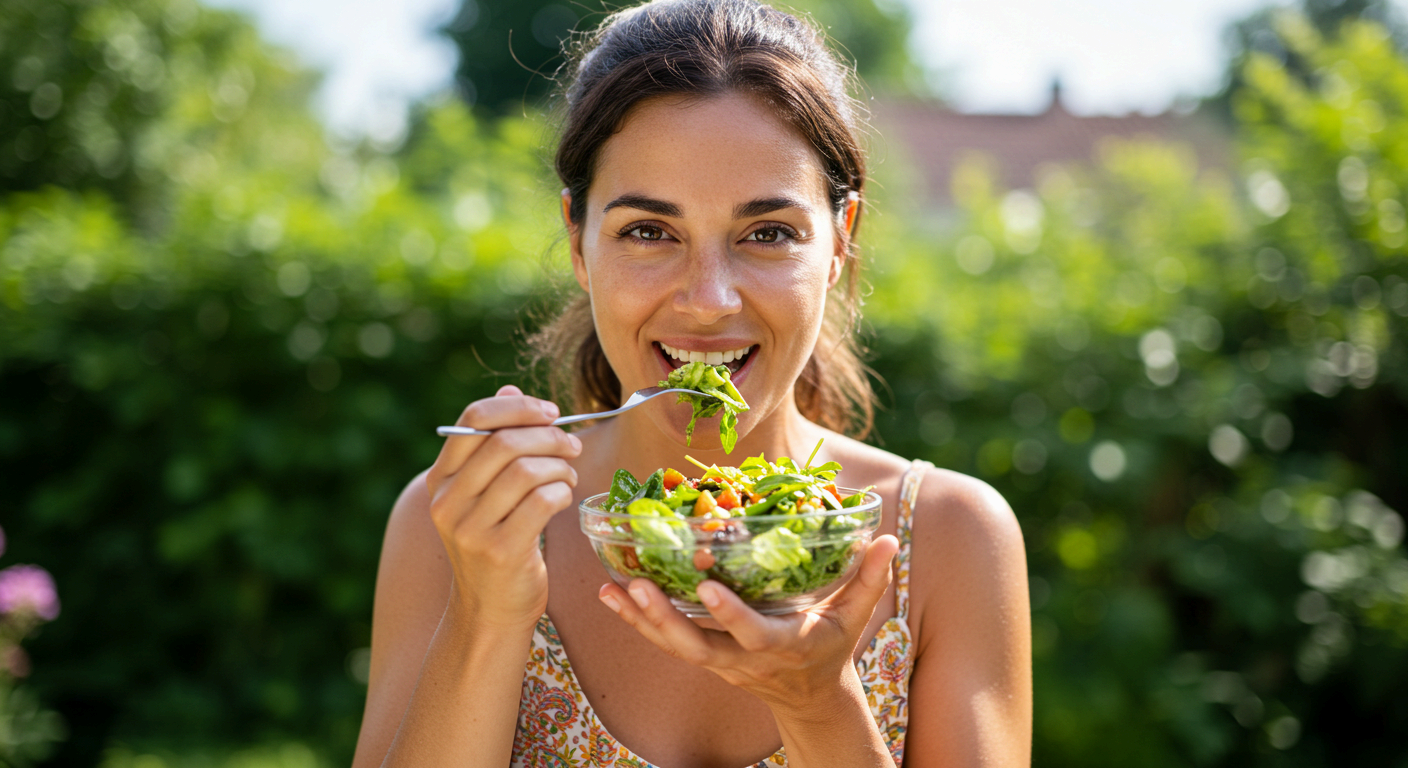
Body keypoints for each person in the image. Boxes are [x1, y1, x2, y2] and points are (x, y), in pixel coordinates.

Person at [351, 0, 1031, 765]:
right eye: (649, 232)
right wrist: (485, 615)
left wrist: (818, 705)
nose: (709, 301)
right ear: (579, 242)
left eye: (767, 233)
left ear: (841, 242)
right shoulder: (463, 526)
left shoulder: (945, 539)